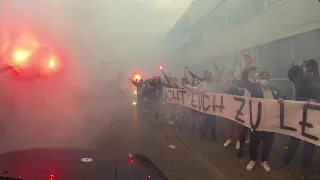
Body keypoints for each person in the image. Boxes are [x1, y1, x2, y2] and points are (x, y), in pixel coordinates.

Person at [242, 60, 285, 172]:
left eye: (266, 78)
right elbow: (245, 81)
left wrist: (282, 98)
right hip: (257, 121)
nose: (264, 80)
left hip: (270, 122)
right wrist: (246, 69)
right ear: (259, 79)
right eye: (262, 78)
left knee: (268, 143)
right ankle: (252, 159)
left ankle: (264, 161)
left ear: (269, 79)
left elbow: (283, 96)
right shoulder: (254, 88)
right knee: (254, 143)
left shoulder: (274, 89)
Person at [279, 59, 319, 179]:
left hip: (313, 117)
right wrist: (300, 66)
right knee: (294, 140)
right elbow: (290, 72)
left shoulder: (318, 80)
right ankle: (287, 162)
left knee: (309, 144)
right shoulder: (300, 78)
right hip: (299, 115)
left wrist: (316, 99)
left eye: (312, 67)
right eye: (308, 67)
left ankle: (305, 169)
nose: (310, 70)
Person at [184, 66, 223, 140]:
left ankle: (213, 135)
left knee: (213, 122)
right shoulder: (202, 84)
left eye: (208, 75)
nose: (207, 77)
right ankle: (203, 134)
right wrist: (186, 86)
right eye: (206, 75)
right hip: (204, 108)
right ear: (204, 76)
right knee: (202, 123)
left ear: (210, 75)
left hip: (212, 107)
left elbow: (218, 77)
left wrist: (219, 70)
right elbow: (194, 89)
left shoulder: (214, 83)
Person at [223, 73, 244, 149]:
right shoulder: (226, 89)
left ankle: (238, 141)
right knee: (230, 125)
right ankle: (229, 139)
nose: (229, 82)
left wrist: (232, 88)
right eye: (228, 81)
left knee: (238, 126)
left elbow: (241, 93)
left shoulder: (239, 88)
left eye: (231, 81)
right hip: (230, 110)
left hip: (238, 110)